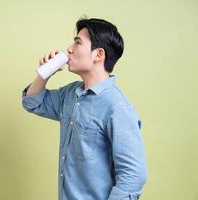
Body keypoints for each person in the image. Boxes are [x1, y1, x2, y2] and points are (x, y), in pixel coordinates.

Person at [21, 17, 147, 200]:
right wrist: (44, 74)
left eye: (77, 42)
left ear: (98, 55)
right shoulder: (70, 94)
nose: (69, 49)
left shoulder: (118, 108)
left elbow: (133, 177)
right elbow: (32, 103)